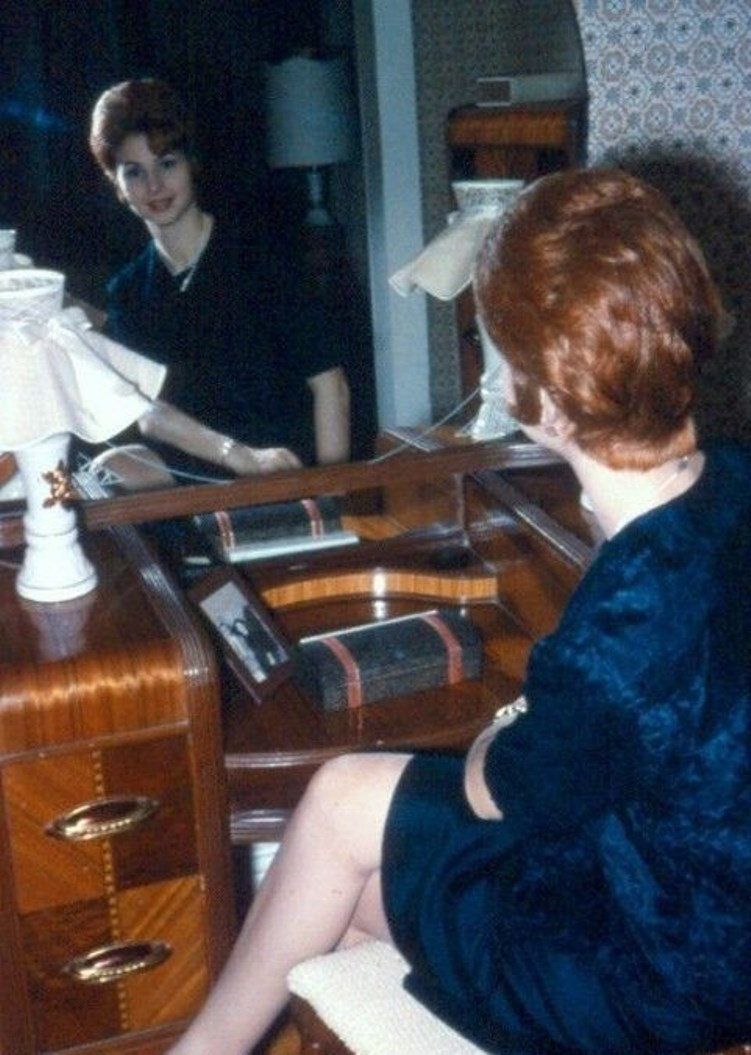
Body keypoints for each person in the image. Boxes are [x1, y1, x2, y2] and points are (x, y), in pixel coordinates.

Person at [165, 168, 751, 1055]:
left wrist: (507, 720)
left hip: (663, 983)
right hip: (707, 902)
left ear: (536, 396)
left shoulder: (617, 633)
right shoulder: (734, 481)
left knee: (338, 807)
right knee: (339, 883)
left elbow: (493, 788)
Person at [88, 78, 351, 479]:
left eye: (167, 163)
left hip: (282, 466)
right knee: (108, 469)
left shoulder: (263, 257)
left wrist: (335, 494)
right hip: (199, 469)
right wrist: (235, 455)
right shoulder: (127, 292)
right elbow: (148, 413)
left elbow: (330, 385)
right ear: (116, 183)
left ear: (191, 163)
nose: (154, 186)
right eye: (134, 172)